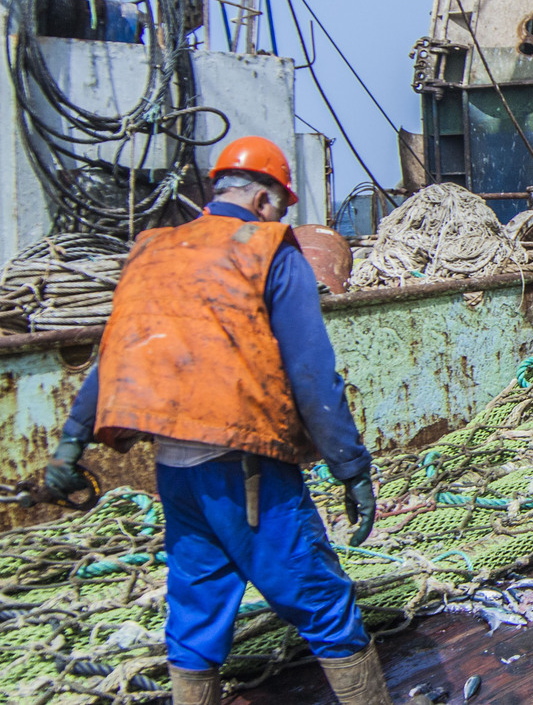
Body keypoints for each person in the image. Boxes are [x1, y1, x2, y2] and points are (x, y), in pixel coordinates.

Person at [44, 136, 389, 705]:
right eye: (281, 206)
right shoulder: (270, 249)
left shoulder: (155, 249)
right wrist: (350, 465)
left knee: (196, 609)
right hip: (245, 469)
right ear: (262, 200)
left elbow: (117, 356)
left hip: (174, 471)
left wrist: (69, 446)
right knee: (321, 598)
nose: (280, 217)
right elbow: (310, 373)